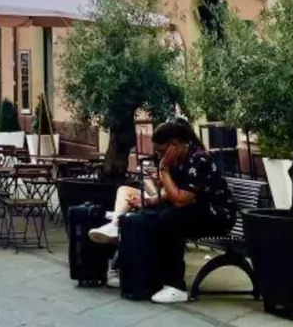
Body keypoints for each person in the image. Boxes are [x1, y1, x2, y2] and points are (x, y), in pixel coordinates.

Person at [89, 121, 232, 304]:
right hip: (194, 210)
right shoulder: (178, 159)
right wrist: (149, 200)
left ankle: (176, 286)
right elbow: (173, 194)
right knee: (146, 216)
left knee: (170, 219)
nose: (159, 156)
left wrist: (164, 171)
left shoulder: (199, 160)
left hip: (216, 216)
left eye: (162, 151)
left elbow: (180, 199)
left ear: (174, 145)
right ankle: (127, 266)